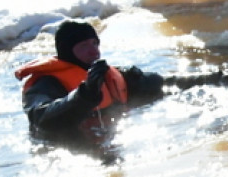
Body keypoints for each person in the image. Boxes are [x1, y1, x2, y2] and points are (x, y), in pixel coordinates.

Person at [14, 20, 166, 131]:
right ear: (67, 51)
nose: (94, 51)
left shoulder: (109, 75)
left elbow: (164, 84)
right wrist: (85, 94)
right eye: (84, 46)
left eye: (94, 43)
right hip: (65, 148)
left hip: (108, 135)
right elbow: (41, 119)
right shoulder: (45, 84)